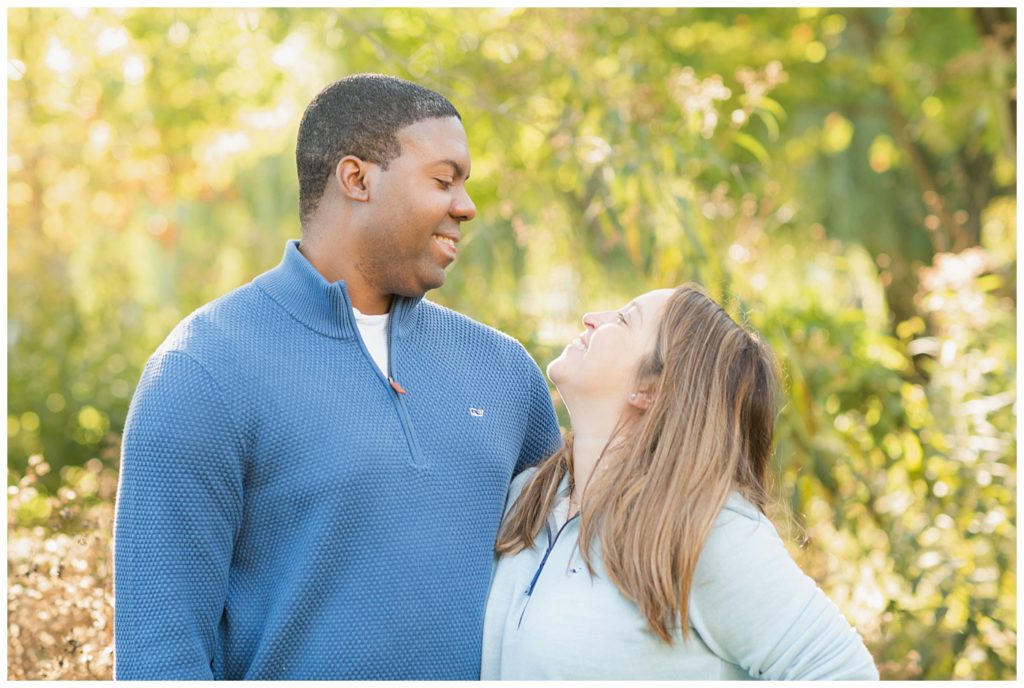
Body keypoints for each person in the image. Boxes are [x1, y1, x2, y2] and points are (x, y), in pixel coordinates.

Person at [113, 74, 562, 680]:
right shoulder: (203, 368)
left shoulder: (504, 371)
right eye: (442, 179)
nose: (466, 205)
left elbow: (572, 577)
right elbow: (160, 651)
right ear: (356, 179)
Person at [481, 285, 879, 680]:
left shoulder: (706, 531)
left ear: (650, 388)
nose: (591, 318)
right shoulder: (526, 498)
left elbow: (843, 673)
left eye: (623, 319)